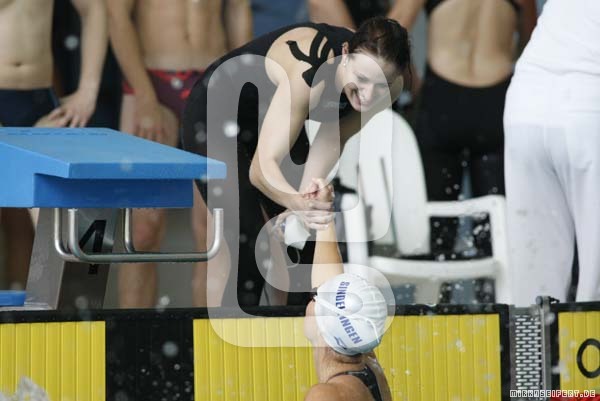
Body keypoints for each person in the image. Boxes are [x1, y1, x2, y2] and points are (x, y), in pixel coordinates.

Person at [182, 17, 410, 308]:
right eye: (362, 79)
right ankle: (234, 333)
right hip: (215, 112)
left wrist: (304, 202)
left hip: (274, 117)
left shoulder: (392, 88)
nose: (368, 95)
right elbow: (261, 169)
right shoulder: (309, 69)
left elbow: (334, 135)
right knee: (246, 239)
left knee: (308, 244)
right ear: (344, 53)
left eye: (381, 85)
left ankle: (303, 331)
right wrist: (296, 202)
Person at [107, 0, 252, 308]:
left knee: (213, 234)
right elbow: (116, 15)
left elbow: (238, 10)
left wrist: (243, 83)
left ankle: (205, 336)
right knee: (141, 232)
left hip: (215, 81)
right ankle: (133, 336)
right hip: (152, 79)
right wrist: (144, 95)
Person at [0, 0, 107, 290]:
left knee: (57, 228)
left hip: (37, 100)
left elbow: (94, 8)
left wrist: (88, 90)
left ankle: (58, 313)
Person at [503, 0, 600, 305]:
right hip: (588, 105)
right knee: (596, 283)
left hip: (526, 102)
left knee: (535, 281)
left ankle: (533, 336)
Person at [303, 179, 392, 401]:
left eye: (316, 299)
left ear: (325, 327)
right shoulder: (367, 368)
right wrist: (324, 210)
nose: (313, 297)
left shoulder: (326, 395)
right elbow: (330, 286)